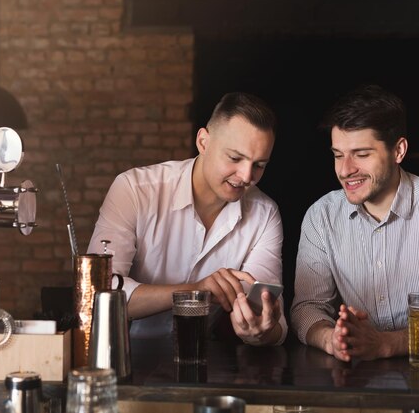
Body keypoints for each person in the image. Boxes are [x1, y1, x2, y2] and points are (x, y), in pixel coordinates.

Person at [290, 84, 419, 361]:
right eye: (338, 154)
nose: (345, 170)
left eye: (362, 154)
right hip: (352, 377)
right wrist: (331, 339)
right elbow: (308, 307)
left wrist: (384, 344)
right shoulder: (321, 216)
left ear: (399, 150)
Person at [88, 92, 287, 346]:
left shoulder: (265, 213)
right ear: (203, 142)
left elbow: (271, 315)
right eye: (235, 158)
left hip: (205, 359)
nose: (247, 176)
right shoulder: (134, 189)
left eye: (259, 165)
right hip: (121, 353)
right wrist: (196, 291)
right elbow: (100, 294)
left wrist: (261, 330)